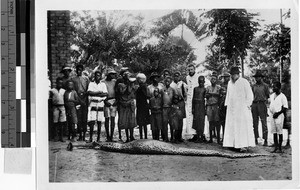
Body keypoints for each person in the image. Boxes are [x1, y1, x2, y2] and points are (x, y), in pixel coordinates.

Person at [223, 66, 255, 152]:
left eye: (233, 75)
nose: (232, 77)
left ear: (237, 74)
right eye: (231, 75)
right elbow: (228, 95)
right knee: (232, 126)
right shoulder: (230, 83)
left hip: (242, 110)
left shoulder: (244, 82)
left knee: (242, 128)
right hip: (232, 109)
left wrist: (247, 105)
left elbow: (250, 95)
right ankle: (232, 144)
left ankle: (243, 145)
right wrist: (227, 105)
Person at [87, 71, 108, 142]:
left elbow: (105, 94)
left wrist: (95, 94)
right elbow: (89, 92)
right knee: (92, 121)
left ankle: (98, 138)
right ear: (94, 76)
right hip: (93, 102)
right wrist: (99, 92)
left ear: (101, 76)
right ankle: (90, 138)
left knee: (99, 121)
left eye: (99, 75)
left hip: (100, 103)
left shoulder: (103, 84)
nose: (97, 77)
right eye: (96, 75)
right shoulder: (91, 84)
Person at [117, 71, 137, 142]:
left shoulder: (132, 85)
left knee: (131, 121)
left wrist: (131, 85)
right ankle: (127, 137)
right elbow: (122, 92)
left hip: (130, 104)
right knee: (125, 121)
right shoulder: (120, 85)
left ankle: (131, 136)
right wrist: (127, 85)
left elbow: (132, 92)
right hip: (124, 104)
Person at [251, 70, 270, 146]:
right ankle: (255, 139)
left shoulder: (265, 86)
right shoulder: (253, 86)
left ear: (261, 78)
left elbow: (267, 96)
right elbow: (251, 96)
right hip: (254, 104)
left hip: (262, 104)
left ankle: (265, 140)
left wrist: (265, 103)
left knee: (264, 123)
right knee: (255, 123)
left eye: (258, 77)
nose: (256, 79)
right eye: (256, 77)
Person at [71, 64, 90, 141]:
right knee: (79, 118)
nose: (79, 71)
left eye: (80, 70)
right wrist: (78, 100)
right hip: (77, 100)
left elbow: (88, 90)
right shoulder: (73, 79)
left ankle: (84, 135)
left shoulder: (86, 79)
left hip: (84, 100)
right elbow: (74, 91)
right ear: (76, 70)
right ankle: (80, 135)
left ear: (82, 70)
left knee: (84, 118)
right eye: (78, 70)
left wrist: (85, 99)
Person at [269, 81, 288, 153]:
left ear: (279, 88)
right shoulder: (272, 95)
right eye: (273, 86)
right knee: (274, 132)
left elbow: (285, 107)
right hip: (272, 115)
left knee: (279, 132)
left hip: (279, 116)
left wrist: (278, 113)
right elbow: (271, 104)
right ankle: (275, 147)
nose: (273, 88)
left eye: (275, 87)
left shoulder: (282, 96)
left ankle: (280, 148)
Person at [170, 71, 187, 142]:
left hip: (181, 103)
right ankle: (174, 137)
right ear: (173, 77)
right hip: (174, 103)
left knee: (181, 120)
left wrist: (182, 99)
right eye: (175, 76)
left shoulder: (182, 84)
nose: (176, 77)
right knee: (175, 120)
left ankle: (180, 137)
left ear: (179, 77)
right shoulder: (171, 85)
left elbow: (185, 94)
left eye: (178, 76)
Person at [206, 73, 221, 144]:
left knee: (217, 122)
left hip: (215, 106)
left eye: (214, 79)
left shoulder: (218, 87)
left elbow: (219, 95)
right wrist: (209, 95)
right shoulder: (208, 87)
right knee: (210, 122)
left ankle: (218, 139)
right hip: (209, 106)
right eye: (212, 79)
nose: (213, 80)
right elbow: (206, 95)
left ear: (216, 80)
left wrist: (211, 94)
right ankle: (211, 139)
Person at [49, 77, 66, 142]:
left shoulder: (63, 91)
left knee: (61, 123)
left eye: (61, 83)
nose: (60, 84)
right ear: (56, 83)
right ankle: (55, 136)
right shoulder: (52, 90)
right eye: (59, 83)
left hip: (62, 107)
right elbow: (50, 100)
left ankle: (61, 137)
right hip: (55, 107)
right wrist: (50, 108)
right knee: (55, 122)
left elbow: (65, 100)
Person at [115, 67, 130, 141]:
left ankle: (127, 135)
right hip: (120, 101)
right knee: (121, 118)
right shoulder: (119, 81)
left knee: (127, 118)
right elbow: (118, 91)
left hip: (127, 100)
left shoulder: (128, 80)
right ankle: (120, 134)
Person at [103, 68, 118, 142]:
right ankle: (107, 136)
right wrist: (105, 101)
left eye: (114, 74)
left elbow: (117, 92)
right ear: (108, 74)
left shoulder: (114, 82)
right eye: (111, 74)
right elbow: (102, 92)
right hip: (106, 101)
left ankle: (111, 136)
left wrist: (116, 100)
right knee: (107, 119)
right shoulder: (103, 82)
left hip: (113, 100)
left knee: (113, 119)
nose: (113, 75)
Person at [186, 64, 199, 141]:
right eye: (189, 70)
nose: (190, 71)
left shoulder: (198, 77)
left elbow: (207, 84)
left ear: (194, 69)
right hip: (189, 99)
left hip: (196, 99)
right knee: (190, 117)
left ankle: (199, 134)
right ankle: (193, 134)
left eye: (191, 69)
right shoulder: (187, 78)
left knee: (196, 117)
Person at [192, 76, 206, 143]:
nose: (201, 83)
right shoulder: (195, 89)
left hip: (202, 106)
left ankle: (201, 136)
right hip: (196, 106)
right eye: (200, 82)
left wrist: (205, 109)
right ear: (198, 82)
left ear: (204, 82)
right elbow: (193, 99)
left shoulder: (205, 89)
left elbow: (205, 100)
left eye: (202, 82)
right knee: (196, 121)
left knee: (202, 121)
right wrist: (193, 108)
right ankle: (197, 136)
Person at [162, 76, 176, 142]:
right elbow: (160, 99)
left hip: (170, 108)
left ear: (170, 82)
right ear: (164, 82)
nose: (167, 82)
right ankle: (165, 138)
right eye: (166, 81)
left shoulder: (172, 90)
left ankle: (172, 137)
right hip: (164, 108)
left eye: (168, 81)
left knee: (171, 123)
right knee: (165, 123)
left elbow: (175, 98)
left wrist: (173, 106)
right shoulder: (162, 90)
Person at [136, 73, 150, 139]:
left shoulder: (144, 87)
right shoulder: (139, 87)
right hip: (140, 106)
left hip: (143, 106)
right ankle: (142, 136)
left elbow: (147, 95)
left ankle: (144, 137)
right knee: (141, 123)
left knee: (143, 123)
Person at [219, 72, 230, 141]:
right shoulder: (221, 85)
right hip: (222, 105)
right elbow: (219, 95)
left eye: (227, 77)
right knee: (223, 121)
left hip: (229, 105)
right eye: (224, 77)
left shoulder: (231, 85)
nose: (225, 78)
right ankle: (223, 137)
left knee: (228, 122)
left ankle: (228, 138)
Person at [281, 72, 291, 148]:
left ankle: (287, 142)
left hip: (287, 105)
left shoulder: (286, 86)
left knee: (287, 123)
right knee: (285, 123)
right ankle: (286, 141)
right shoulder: (287, 85)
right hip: (285, 105)